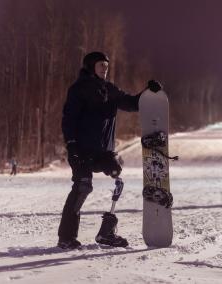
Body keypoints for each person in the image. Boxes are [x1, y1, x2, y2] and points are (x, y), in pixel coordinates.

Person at [57, 51, 162, 249]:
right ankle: (66, 237)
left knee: (117, 178)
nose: (105, 68)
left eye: (106, 65)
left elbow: (132, 103)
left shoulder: (110, 89)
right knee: (82, 187)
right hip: (80, 149)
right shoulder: (78, 89)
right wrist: (71, 145)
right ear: (90, 67)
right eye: (100, 65)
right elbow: (68, 119)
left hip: (102, 152)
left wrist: (148, 92)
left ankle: (106, 232)